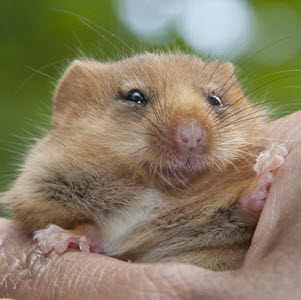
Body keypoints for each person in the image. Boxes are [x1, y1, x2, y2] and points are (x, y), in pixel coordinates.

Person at [0, 111, 300, 300]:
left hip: (212, 253)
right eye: (136, 98)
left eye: (214, 100)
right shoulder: (74, 168)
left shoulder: (246, 166)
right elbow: (32, 199)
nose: (191, 135)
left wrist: (247, 203)